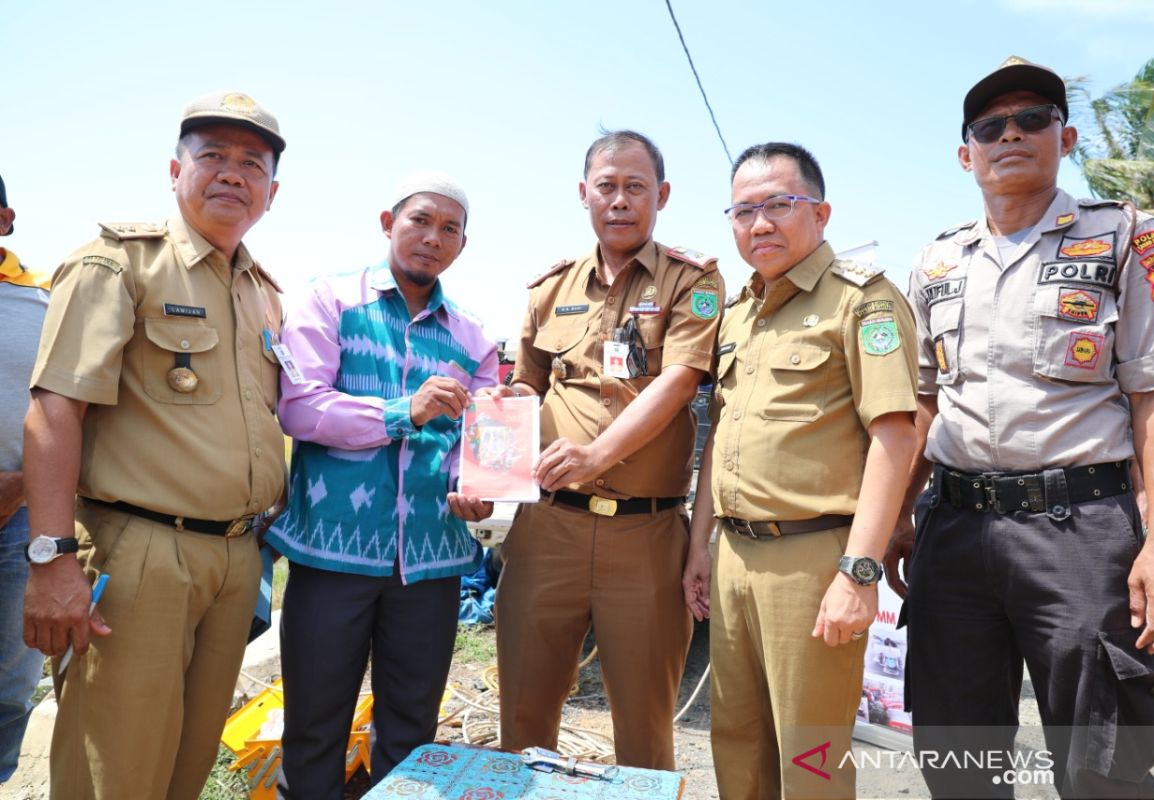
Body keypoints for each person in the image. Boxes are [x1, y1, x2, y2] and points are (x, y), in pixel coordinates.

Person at [885, 56, 1154, 798]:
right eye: (990, 126)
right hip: (954, 533)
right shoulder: (935, 262)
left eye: (1033, 119)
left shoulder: (1124, 235)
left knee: (1102, 763)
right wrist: (900, 511)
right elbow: (923, 403)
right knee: (958, 760)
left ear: (1068, 137)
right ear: (967, 155)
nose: (1011, 135)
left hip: (1081, 533)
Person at [22, 91, 287, 800]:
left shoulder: (261, 292)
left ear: (272, 190)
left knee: (185, 767)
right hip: (140, 553)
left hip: (235, 559)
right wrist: (49, 560)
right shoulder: (119, 264)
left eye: (251, 164)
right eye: (213, 157)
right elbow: (53, 413)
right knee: (114, 771)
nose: (233, 174)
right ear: (175, 170)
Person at [683, 142, 917, 799]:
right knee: (736, 744)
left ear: (821, 212)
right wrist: (701, 547)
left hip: (813, 560)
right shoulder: (736, 317)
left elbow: (895, 439)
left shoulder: (861, 302)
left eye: (779, 205)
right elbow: (721, 439)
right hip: (733, 556)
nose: (760, 224)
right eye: (744, 210)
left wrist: (860, 572)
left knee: (810, 759)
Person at [486, 129, 723, 769]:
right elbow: (522, 391)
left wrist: (596, 456)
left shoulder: (692, 282)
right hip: (546, 531)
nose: (620, 200)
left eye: (635, 187)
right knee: (524, 723)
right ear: (584, 194)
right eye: (607, 186)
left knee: (644, 730)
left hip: (645, 538)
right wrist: (486, 477)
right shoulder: (549, 289)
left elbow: (679, 383)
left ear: (662, 195)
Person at [265, 172, 498, 797]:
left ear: (462, 246)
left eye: (450, 229)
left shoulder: (475, 337)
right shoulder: (328, 302)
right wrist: (403, 412)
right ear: (387, 222)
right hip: (332, 556)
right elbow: (302, 409)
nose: (432, 237)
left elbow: (475, 445)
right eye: (420, 220)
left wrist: (476, 490)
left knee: (411, 732)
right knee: (314, 726)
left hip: (433, 561)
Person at [0, 173, 50, 784]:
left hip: (20, 517)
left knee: (12, 680)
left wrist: (19, 484)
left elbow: (80, 409)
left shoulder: (43, 305)